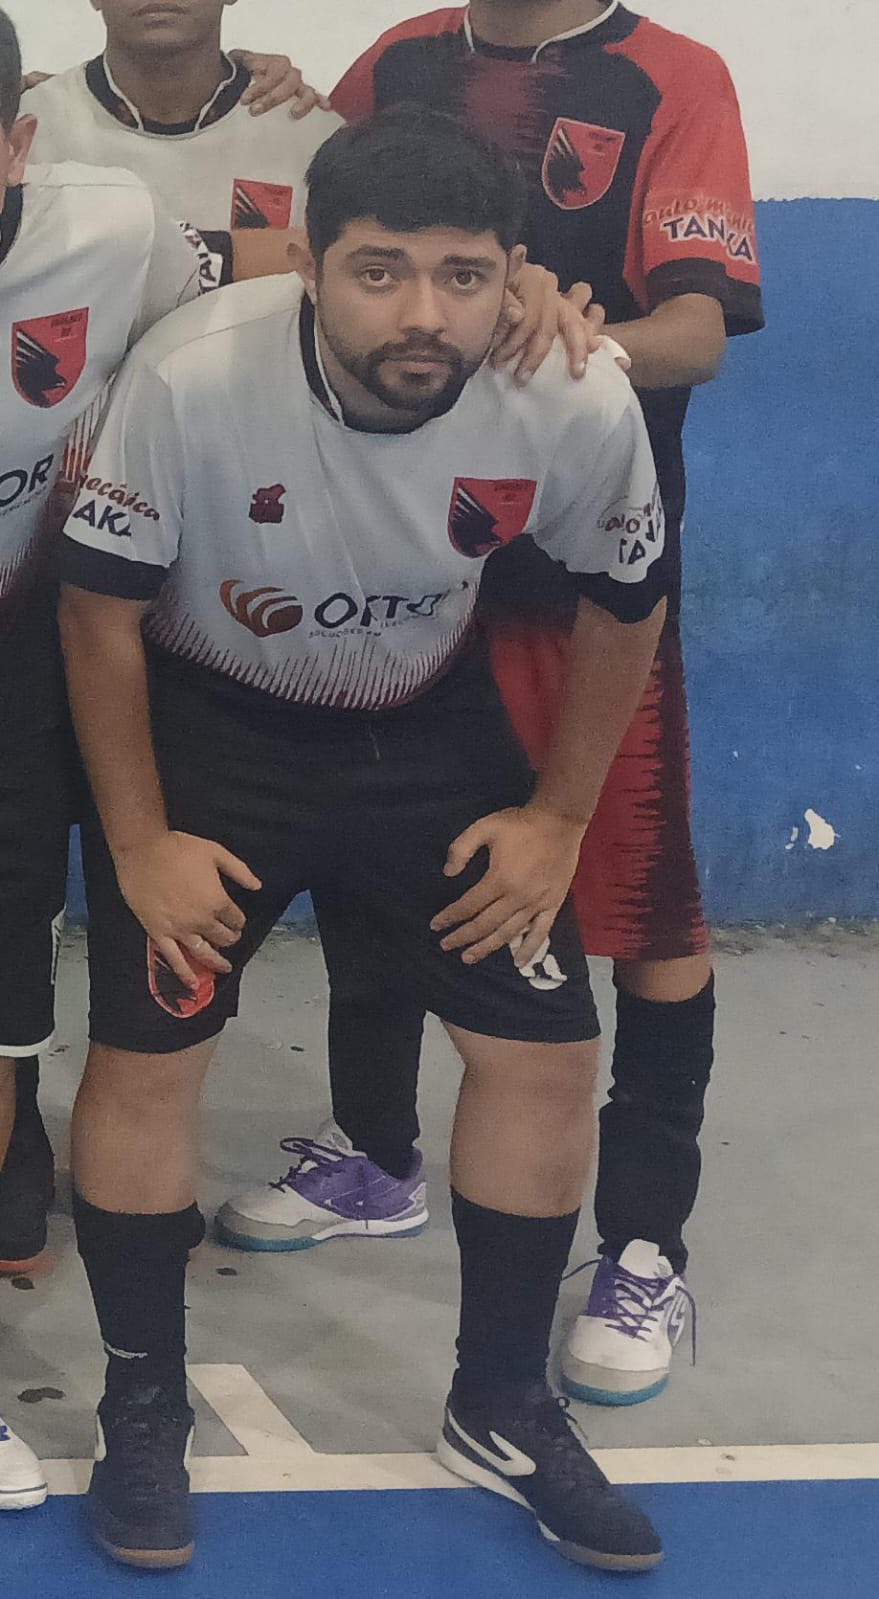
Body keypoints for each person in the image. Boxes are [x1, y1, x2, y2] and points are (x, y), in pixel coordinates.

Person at [59, 106, 668, 1572]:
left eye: (464, 275)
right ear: (310, 265)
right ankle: (142, 1407)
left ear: (512, 274)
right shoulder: (193, 372)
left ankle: (500, 1405)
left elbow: (627, 599)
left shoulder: (572, 391)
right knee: (149, 1060)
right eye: (380, 271)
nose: (423, 313)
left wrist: (558, 817)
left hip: (428, 732)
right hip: (218, 736)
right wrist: (138, 845)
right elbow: (99, 614)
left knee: (544, 1054)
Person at [219, 0, 764, 1410]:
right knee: (387, 872)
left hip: (587, 587)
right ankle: (376, 1154)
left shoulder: (673, 77)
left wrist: (565, 335)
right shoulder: (403, 57)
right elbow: (316, 224)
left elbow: (697, 333)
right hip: (408, 569)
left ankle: (643, 1245)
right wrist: (256, 80)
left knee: (642, 906)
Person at [0, 4, 205, 1509]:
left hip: (23, 627)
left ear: (17, 143)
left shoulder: (109, 225)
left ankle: (16, 1137)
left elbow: (278, 287)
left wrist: (519, 294)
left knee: (17, 892)